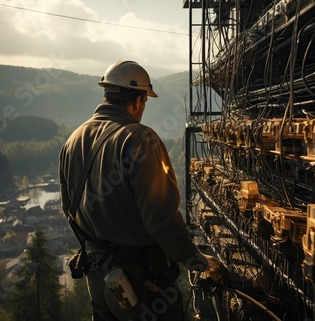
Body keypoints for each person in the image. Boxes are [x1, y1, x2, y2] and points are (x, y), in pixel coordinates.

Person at [59, 60, 227, 320]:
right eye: (144, 103)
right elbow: (161, 219)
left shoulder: (73, 140)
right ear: (138, 101)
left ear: (107, 94)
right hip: (140, 284)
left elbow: (69, 208)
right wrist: (198, 261)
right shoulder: (140, 139)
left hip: (99, 281)